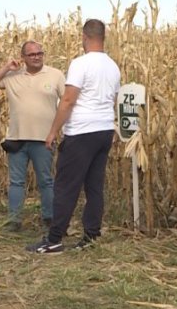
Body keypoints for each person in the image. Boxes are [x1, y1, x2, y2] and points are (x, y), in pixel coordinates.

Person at [26, 19, 120, 254]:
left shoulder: (80, 64)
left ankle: (54, 239)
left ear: (85, 37)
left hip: (81, 132)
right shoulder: (113, 66)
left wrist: (53, 131)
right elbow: (113, 100)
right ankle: (91, 235)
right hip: (104, 129)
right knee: (94, 186)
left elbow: (68, 100)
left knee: (66, 187)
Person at [0, 41, 65, 232]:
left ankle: (49, 217)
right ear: (23, 58)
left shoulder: (55, 75)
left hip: (44, 138)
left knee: (45, 180)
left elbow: (66, 102)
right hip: (17, 139)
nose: (37, 57)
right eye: (31, 54)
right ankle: (14, 220)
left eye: (39, 53)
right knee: (16, 182)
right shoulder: (13, 76)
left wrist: (56, 132)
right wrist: (7, 67)